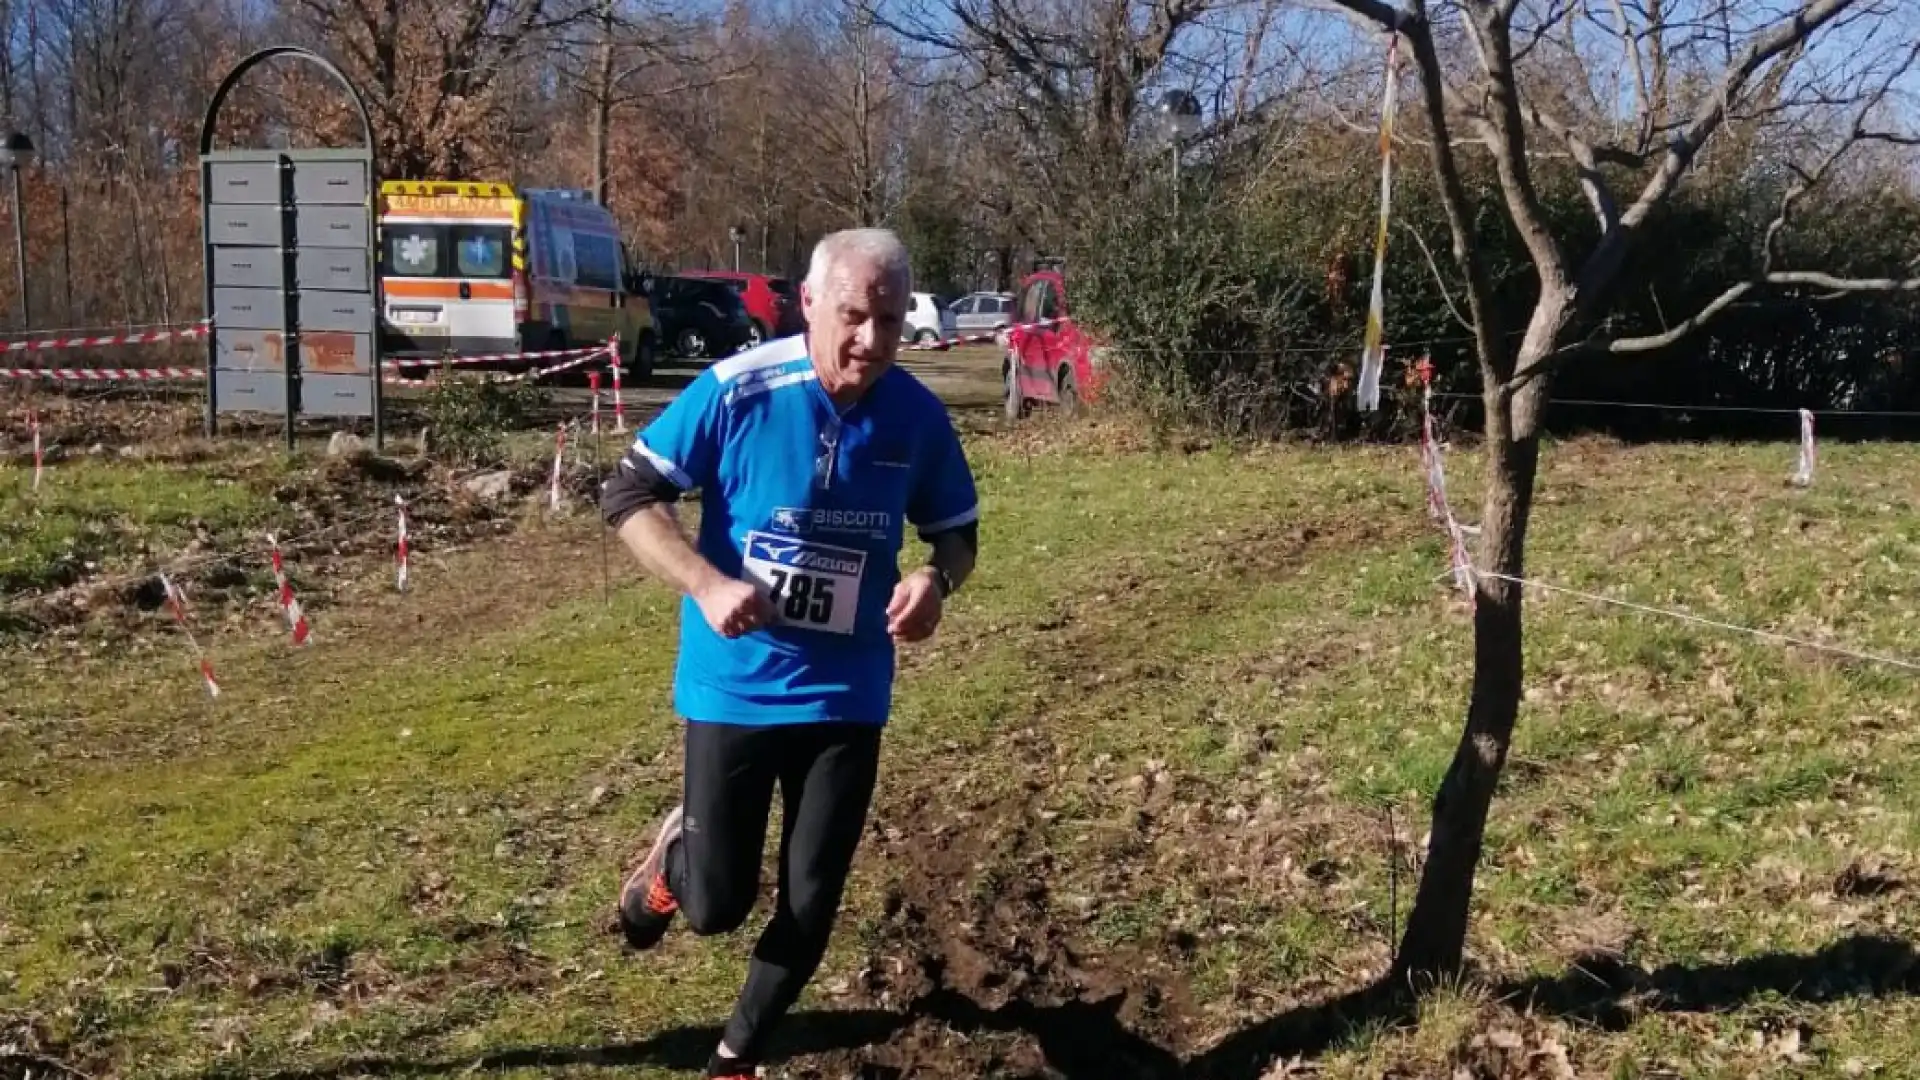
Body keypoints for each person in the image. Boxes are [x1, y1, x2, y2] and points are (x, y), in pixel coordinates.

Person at [599, 227, 979, 1079]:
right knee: (716, 907)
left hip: (848, 694)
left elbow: (956, 532)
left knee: (812, 899)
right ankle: (675, 860)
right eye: (853, 316)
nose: (872, 341)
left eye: (889, 321)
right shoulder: (737, 390)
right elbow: (627, 494)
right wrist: (704, 583)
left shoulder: (916, 416)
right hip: (736, 687)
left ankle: (736, 1057)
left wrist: (935, 582)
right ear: (807, 303)